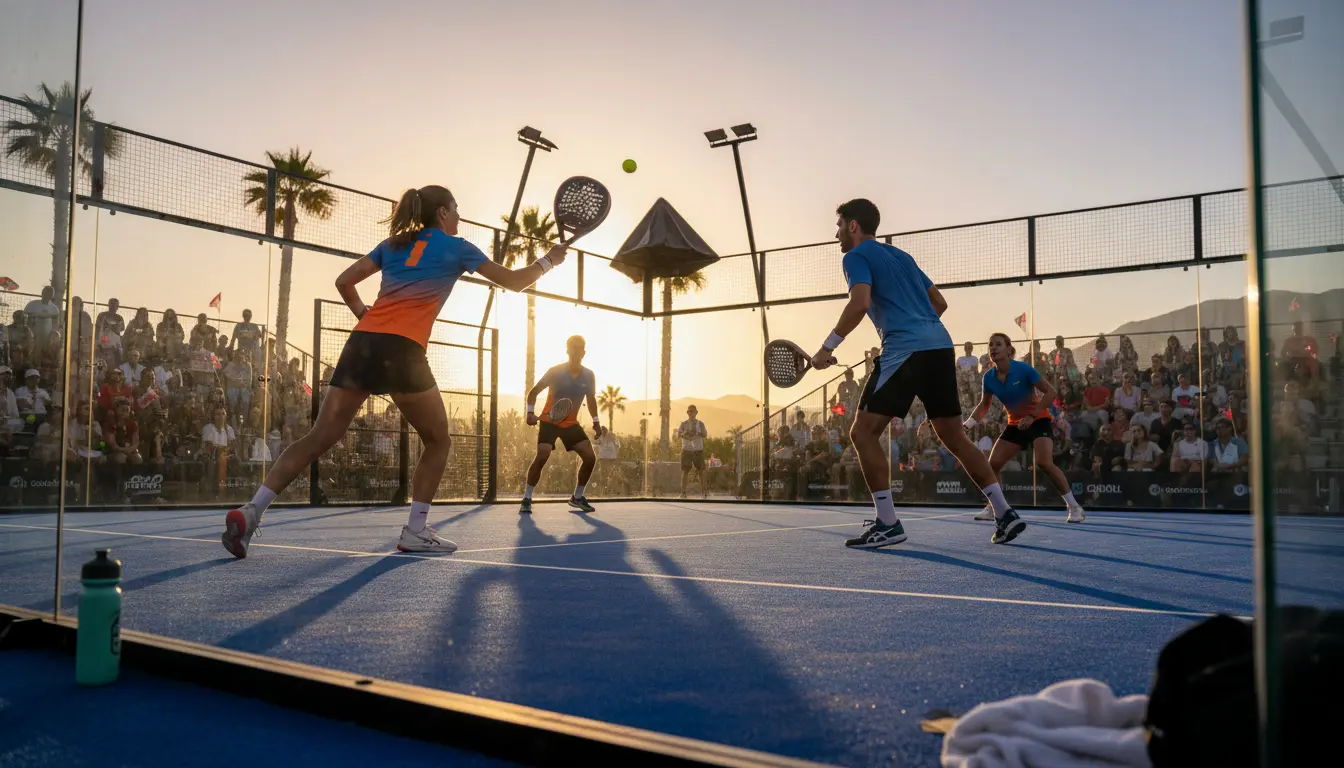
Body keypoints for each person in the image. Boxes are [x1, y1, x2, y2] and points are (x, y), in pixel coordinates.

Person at [221, 184, 567, 558]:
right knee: (438, 440)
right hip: (403, 350)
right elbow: (514, 282)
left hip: (361, 345)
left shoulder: (394, 244)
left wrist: (364, 315)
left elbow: (344, 281)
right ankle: (416, 530)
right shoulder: (458, 247)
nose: (459, 216)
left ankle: (252, 510)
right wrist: (550, 260)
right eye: (456, 209)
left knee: (319, 437)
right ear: (443, 214)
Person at [809, 198, 1026, 548]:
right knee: (954, 436)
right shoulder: (902, 257)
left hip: (905, 350)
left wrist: (827, 347)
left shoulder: (854, 257)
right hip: (940, 346)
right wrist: (918, 326)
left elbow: (860, 303)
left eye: (839, 226)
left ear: (853, 226)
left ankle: (888, 522)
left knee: (863, 433)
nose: (836, 235)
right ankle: (1004, 512)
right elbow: (939, 303)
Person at [965, 333, 1086, 523]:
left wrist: (1032, 415)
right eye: (991, 345)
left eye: (998, 344)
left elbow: (1050, 392)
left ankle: (1074, 507)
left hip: (1038, 420)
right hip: (1015, 424)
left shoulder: (1023, 369)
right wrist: (968, 424)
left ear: (1008, 349)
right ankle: (994, 507)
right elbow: (984, 405)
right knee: (992, 465)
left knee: (1044, 462)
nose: (993, 348)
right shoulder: (988, 377)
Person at [521, 335, 603, 515]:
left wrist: (596, 423)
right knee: (542, 455)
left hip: (571, 424)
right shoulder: (555, 371)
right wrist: (529, 413)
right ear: (567, 350)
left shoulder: (588, 375)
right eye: (572, 347)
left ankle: (577, 497)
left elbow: (591, 400)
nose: (576, 351)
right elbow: (533, 393)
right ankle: (527, 498)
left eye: (579, 348)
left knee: (590, 458)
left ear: (584, 352)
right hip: (550, 421)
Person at [677, 404, 708, 498]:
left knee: (701, 471)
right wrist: (685, 434)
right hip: (686, 449)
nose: (691, 413)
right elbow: (679, 434)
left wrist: (698, 434)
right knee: (685, 471)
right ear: (687, 413)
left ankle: (704, 493)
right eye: (689, 411)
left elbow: (705, 434)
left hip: (698, 449)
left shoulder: (700, 424)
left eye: (692, 411)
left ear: (696, 412)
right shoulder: (683, 424)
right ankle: (683, 493)